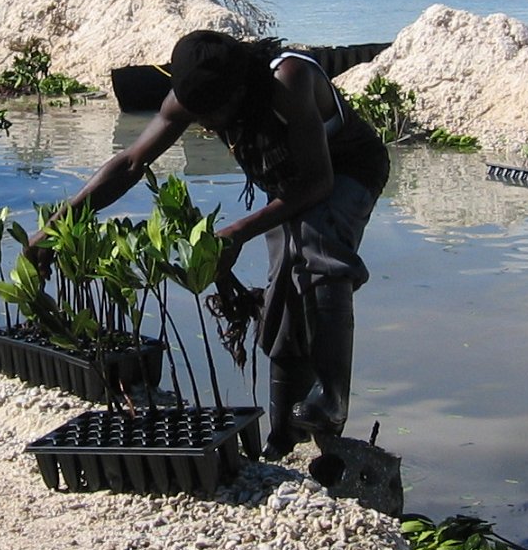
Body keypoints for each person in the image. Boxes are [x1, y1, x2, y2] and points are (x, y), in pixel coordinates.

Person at [42, 29, 388, 461]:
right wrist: (57, 225)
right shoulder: (195, 97)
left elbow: (318, 182)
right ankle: (283, 433)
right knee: (282, 287)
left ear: (242, 88)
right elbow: (130, 163)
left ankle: (332, 399)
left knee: (318, 254)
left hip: (346, 168)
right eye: (201, 116)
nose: (209, 124)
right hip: (288, 183)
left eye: (217, 114)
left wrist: (237, 232)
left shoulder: (289, 79)